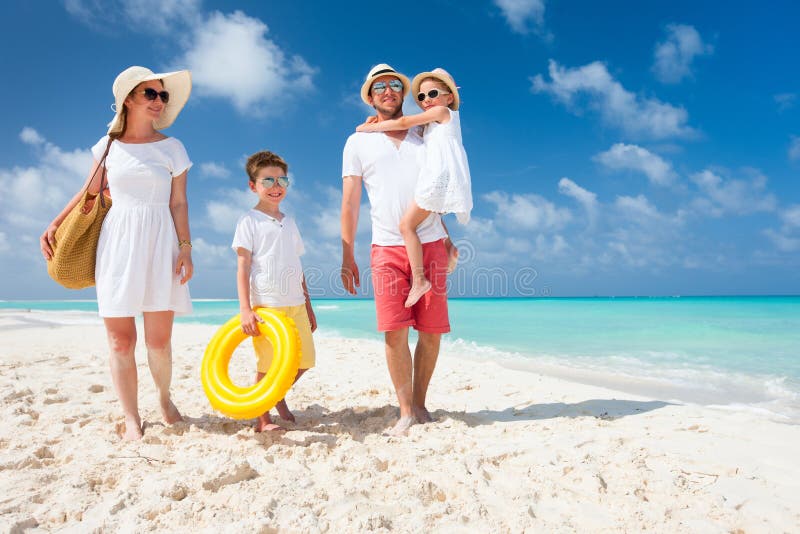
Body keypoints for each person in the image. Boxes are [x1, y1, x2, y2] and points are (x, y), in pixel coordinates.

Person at [39, 66, 194, 440]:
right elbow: (89, 191)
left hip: (161, 241)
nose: (159, 100)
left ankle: (163, 397)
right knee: (121, 340)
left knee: (158, 341)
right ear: (129, 99)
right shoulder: (108, 145)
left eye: (163, 95)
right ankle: (130, 417)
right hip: (117, 242)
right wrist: (56, 222)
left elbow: (178, 203)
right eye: (150, 94)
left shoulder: (173, 148)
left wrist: (186, 247)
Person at [341, 63, 451, 436]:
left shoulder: (425, 130)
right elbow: (350, 202)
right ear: (370, 96)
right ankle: (405, 410)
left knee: (431, 331)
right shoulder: (358, 141)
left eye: (394, 85)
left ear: (402, 93)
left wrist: (449, 237)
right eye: (379, 87)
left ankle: (420, 404)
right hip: (386, 246)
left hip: (431, 240)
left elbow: (436, 188)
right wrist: (347, 253)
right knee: (394, 332)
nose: (388, 91)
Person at [357, 67, 472, 307]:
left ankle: (419, 280)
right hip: (439, 177)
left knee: (406, 224)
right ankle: (448, 246)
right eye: (421, 97)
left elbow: (406, 121)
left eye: (432, 93)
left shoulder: (443, 112)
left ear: (449, 97)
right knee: (426, 214)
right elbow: (405, 128)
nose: (426, 100)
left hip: (439, 177)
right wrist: (377, 119)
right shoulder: (430, 125)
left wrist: (369, 128)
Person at [232, 150, 317, 432]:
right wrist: (245, 309)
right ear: (253, 186)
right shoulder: (249, 221)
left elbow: (298, 266)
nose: (275, 187)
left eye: (281, 180)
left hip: (295, 302)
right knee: (268, 364)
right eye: (267, 181)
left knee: (305, 360)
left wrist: (309, 306)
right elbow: (242, 267)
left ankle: (276, 395)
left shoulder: (289, 222)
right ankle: (263, 418)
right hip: (267, 305)